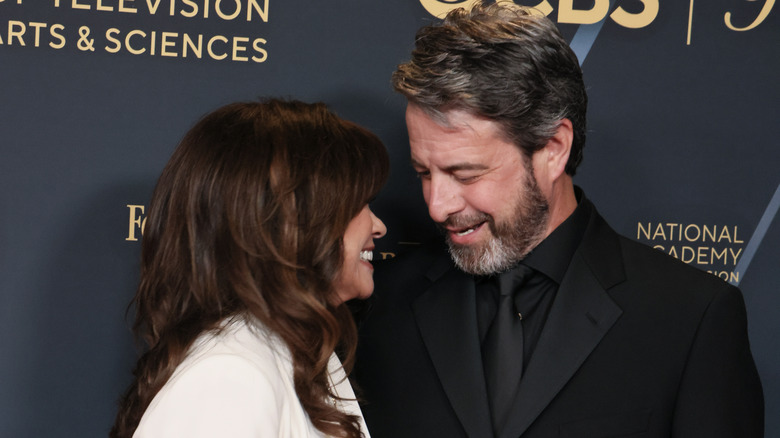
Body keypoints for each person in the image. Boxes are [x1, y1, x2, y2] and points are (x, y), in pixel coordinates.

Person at [353, 2, 764, 437]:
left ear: (553, 148)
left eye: (465, 173)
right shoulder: (381, 305)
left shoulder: (690, 317)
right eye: (423, 173)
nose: (437, 205)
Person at [111, 99, 388, 438]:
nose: (378, 226)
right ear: (294, 221)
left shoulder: (289, 358)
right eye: (359, 203)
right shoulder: (228, 379)